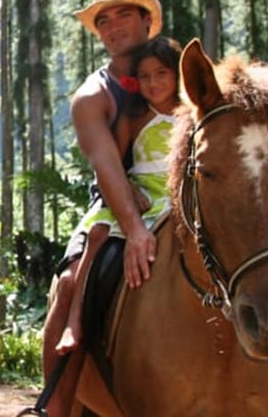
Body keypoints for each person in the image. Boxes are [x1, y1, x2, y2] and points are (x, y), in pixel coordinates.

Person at [40, 0, 162, 416]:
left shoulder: (179, 72)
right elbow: (107, 168)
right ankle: (54, 405)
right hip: (115, 203)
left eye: (124, 14)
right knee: (73, 283)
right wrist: (135, 231)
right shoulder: (92, 96)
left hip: (184, 195)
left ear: (147, 21)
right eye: (103, 20)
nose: (112, 26)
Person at [55, 35, 182, 355]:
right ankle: (75, 321)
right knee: (97, 234)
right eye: (145, 76)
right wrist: (128, 192)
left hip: (179, 192)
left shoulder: (190, 115)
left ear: (177, 74)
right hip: (143, 193)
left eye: (161, 74)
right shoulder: (134, 117)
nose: (153, 83)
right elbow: (114, 162)